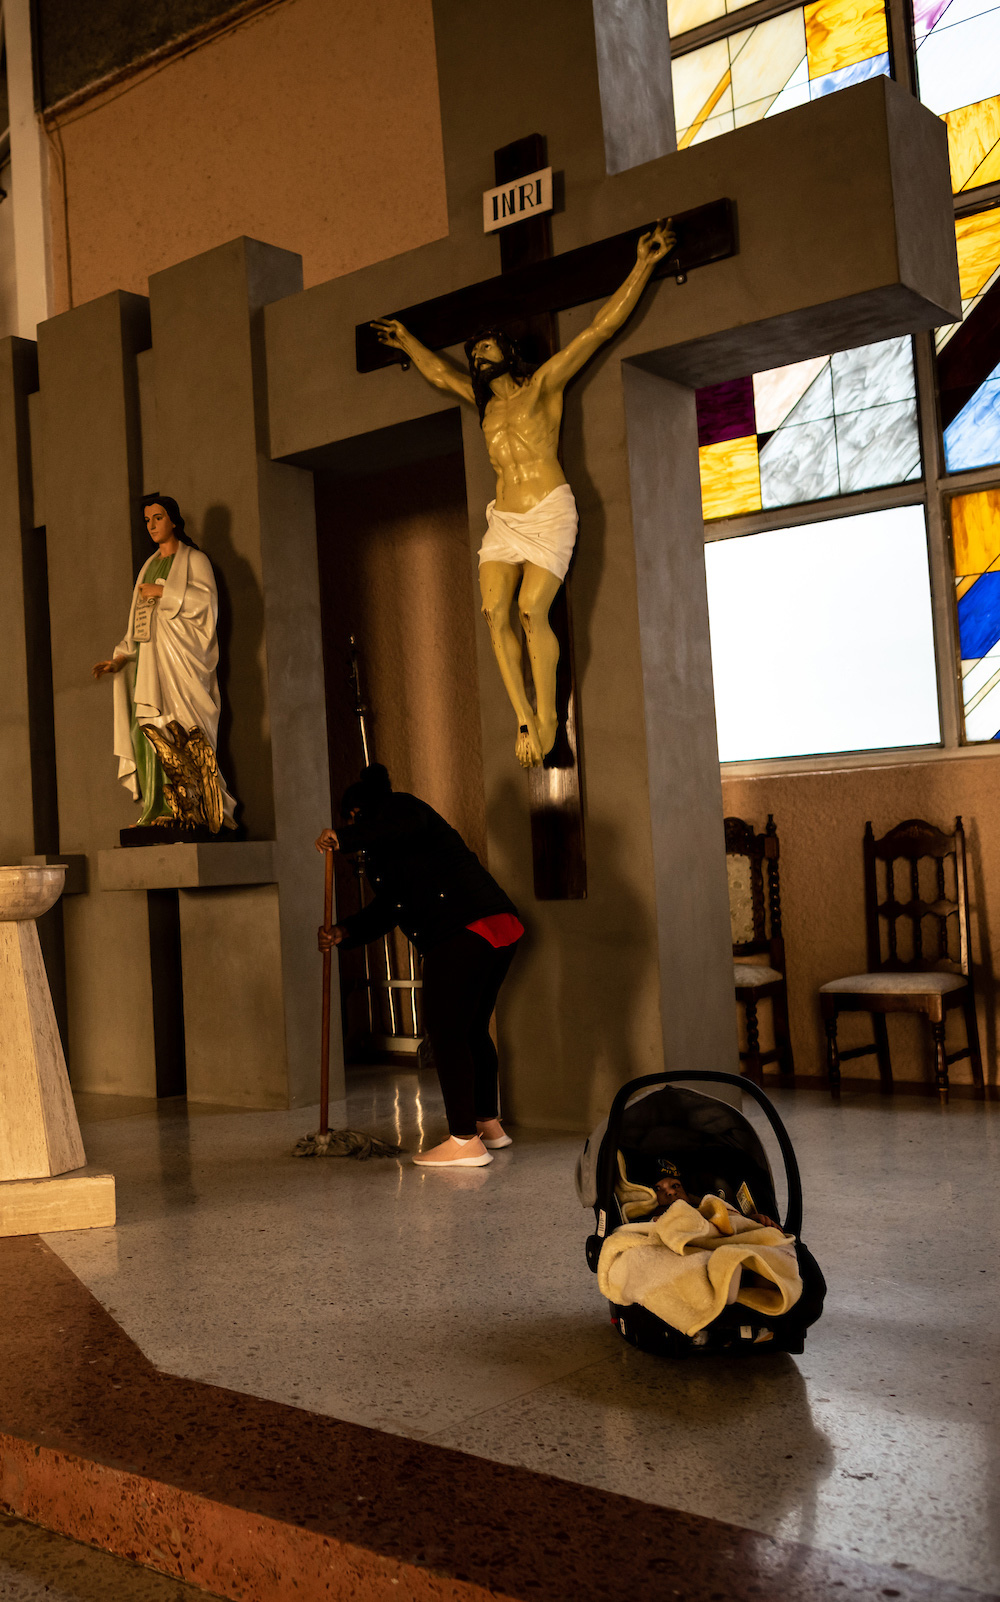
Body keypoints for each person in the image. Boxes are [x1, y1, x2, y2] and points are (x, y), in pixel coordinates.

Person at [368, 221, 676, 769]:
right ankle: (523, 718)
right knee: (493, 613)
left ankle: (549, 720)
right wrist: (408, 340)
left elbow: (598, 331)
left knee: (533, 610)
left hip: (549, 510)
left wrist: (644, 265)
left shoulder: (543, 388)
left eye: (484, 347)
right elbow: (439, 374)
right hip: (504, 521)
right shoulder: (482, 404)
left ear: (507, 351)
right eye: (474, 351)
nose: (477, 356)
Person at [316, 766, 523, 1168]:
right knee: (470, 1028)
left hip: (464, 929)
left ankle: (464, 1141)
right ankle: (487, 1124)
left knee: (446, 1030)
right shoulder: (390, 855)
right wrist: (344, 932)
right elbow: (391, 907)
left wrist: (345, 837)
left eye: (353, 821)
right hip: (495, 927)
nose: (354, 833)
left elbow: (391, 827)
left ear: (361, 813)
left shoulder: (403, 809)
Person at [91, 493, 236, 830]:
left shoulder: (195, 560)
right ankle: (158, 807)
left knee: (182, 731)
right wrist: (120, 659)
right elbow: (138, 627)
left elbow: (207, 603)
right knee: (150, 731)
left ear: (173, 519)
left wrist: (163, 593)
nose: (152, 526)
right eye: (147, 521)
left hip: (182, 665)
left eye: (157, 518)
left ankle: (195, 808)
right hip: (149, 666)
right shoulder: (149, 565)